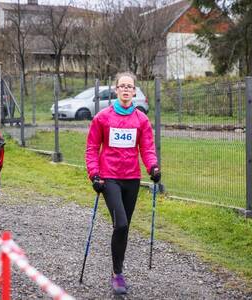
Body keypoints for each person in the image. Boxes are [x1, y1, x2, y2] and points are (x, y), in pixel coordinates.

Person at [86, 71, 161, 295]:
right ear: (116, 90)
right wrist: (94, 174)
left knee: (124, 226)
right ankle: (117, 274)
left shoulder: (141, 120)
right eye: (122, 86)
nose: (126, 89)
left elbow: (147, 149)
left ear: (134, 91)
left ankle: (116, 270)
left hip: (132, 179)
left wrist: (153, 167)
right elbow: (91, 149)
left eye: (130, 86)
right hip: (109, 177)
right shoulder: (102, 118)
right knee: (120, 224)